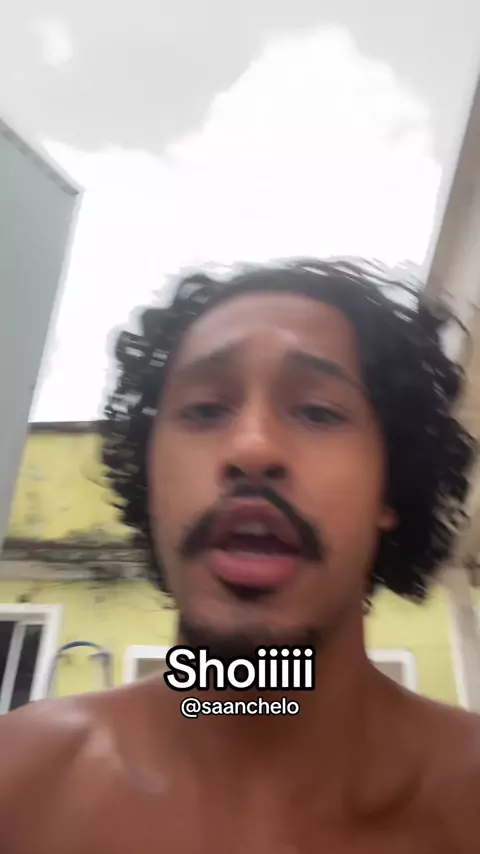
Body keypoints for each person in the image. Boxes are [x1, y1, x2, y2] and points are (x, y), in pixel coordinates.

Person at [0, 258, 479, 853]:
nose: (252, 447)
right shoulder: (16, 785)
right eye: (205, 409)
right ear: (153, 481)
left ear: (391, 485)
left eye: (318, 411)